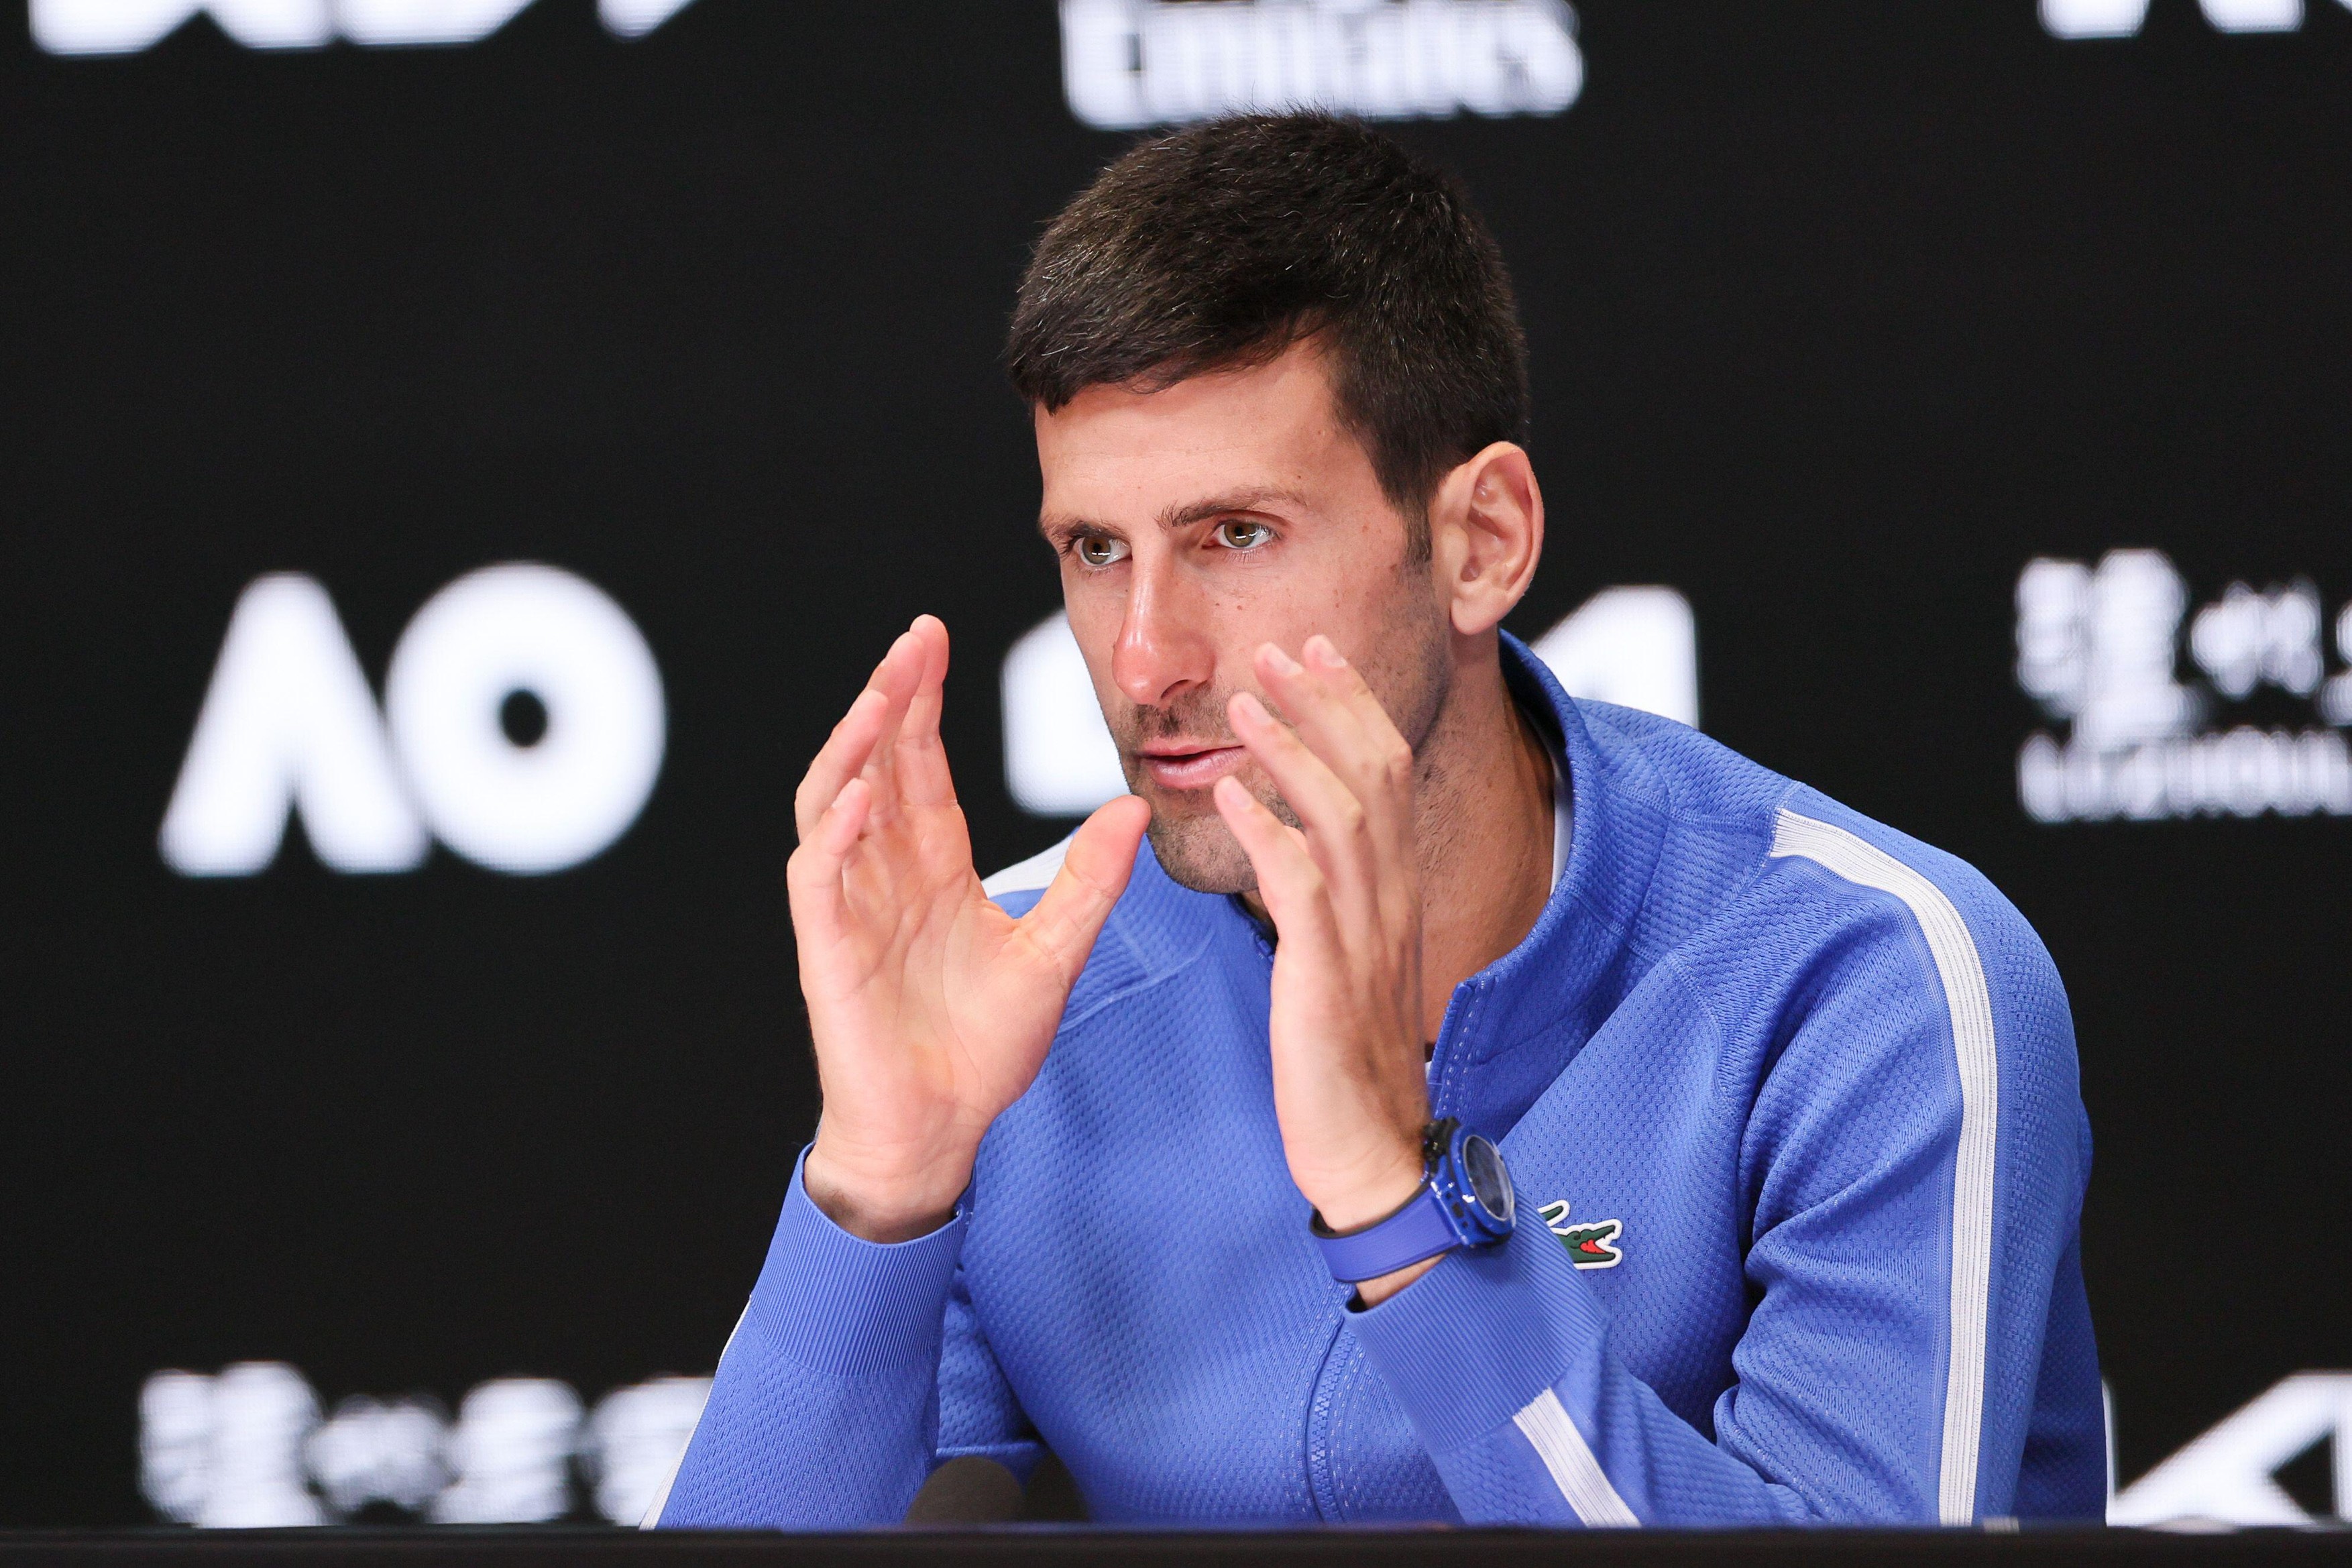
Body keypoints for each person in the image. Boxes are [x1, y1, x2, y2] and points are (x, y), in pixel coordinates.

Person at [649, 113, 2102, 1529]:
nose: (1143, 656)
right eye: (1095, 549)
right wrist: (879, 1187)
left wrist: (1397, 1205)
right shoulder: (1019, 997)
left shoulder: (1871, 978)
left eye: (1235, 535)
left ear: (1479, 542)